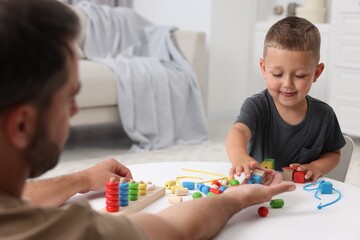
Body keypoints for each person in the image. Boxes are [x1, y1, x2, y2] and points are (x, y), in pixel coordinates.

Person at [0, 0, 296, 239]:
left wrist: (82, 179)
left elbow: (18, 196)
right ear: (22, 125)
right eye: (69, 99)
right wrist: (237, 198)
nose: (74, 110)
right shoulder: (66, 231)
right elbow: (174, 229)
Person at [227, 16, 346, 183]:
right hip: (260, 191)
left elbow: (333, 153)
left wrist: (316, 167)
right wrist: (240, 156)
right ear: (264, 68)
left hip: (303, 195)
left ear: (316, 73)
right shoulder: (256, 106)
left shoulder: (324, 115)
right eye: (277, 74)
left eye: (300, 75)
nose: (288, 84)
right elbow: (238, 131)